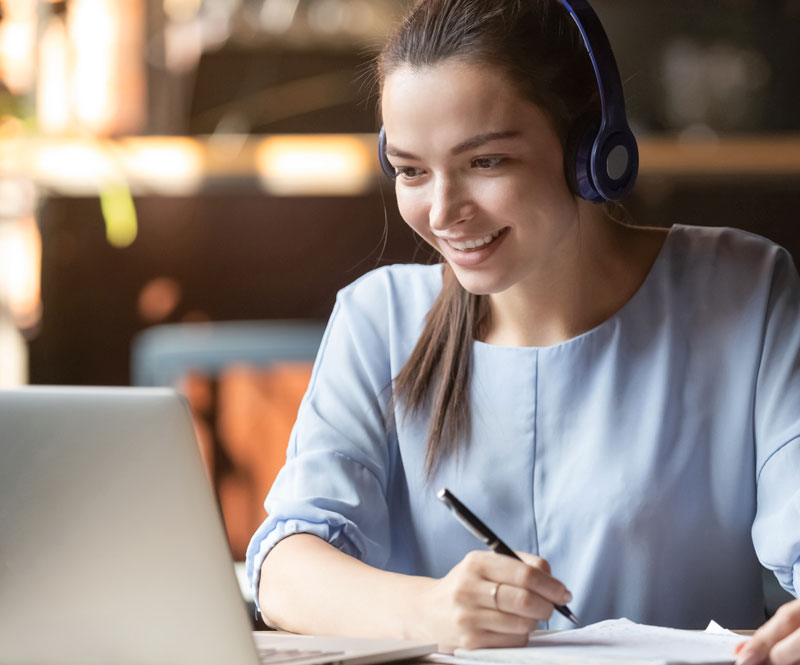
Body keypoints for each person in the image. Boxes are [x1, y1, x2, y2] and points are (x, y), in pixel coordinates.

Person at [245, 0, 800, 660]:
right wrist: (429, 610)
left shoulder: (742, 288)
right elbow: (285, 565)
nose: (444, 212)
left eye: (486, 162)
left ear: (589, 148)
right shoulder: (380, 316)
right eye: (412, 170)